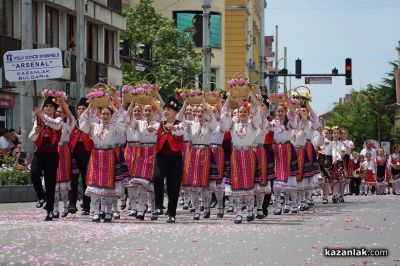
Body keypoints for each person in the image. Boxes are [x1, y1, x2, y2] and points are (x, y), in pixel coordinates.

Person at [79, 101, 124, 222]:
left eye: (107, 114)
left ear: (111, 116)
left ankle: (108, 212)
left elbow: (122, 124)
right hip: (97, 155)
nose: (104, 116)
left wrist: (114, 107)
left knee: (108, 186)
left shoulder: (114, 126)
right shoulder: (94, 126)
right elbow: (82, 124)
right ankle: (96, 212)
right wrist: (89, 107)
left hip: (109, 155)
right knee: (94, 184)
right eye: (103, 114)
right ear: (99, 115)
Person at [221, 92, 261, 224]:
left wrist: (252, 95)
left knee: (248, 184)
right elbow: (225, 114)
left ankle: (250, 210)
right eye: (240, 112)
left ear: (248, 114)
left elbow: (257, 110)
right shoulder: (232, 125)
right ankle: (238, 213)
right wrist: (228, 98)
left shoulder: (252, 124)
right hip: (236, 156)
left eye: (245, 111)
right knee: (237, 185)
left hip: (249, 155)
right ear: (237, 114)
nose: (242, 113)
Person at [29, 96, 63, 221]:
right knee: (34, 173)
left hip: (52, 155)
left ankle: (49, 210)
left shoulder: (58, 119)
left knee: (50, 183)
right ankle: (41, 196)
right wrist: (36, 132)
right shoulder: (38, 120)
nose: (48, 109)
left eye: (51, 107)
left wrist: (42, 116)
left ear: (54, 109)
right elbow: (31, 137)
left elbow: (56, 125)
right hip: (39, 152)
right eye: (46, 107)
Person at [127, 101, 160, 221]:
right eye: (145, 110)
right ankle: (140, 210)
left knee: (152, 183)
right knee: (140, 182)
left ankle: (154, 209)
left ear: (154, 112)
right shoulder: (138, 122)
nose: (147, 113)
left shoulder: (158, 123)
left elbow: (157, 129)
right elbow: (129, 118)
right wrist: (131, 102)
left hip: (153, 152)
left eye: (149, 110)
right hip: (141, 153)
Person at [154, 97, 185, 223]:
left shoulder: (180, 123)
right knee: (157, 177)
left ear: (174, 111)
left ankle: (172, 213)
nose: (166, 111)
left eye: (168, 109)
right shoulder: (159, 124)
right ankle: (158, 206)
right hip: (161, 156)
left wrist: (173, 128)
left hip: (175, 158)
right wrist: (150, 129)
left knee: (174, 186)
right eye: (165, 109)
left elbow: (180, 131)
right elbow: (153, 129)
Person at [268, 102, 299, 215]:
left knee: (290, 179)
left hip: (287, 151)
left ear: (286, 112)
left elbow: (294, 114)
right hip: (276, 152)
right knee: (277, 181)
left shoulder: (290, 123)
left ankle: (293, 203)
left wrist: (288, 101)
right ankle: (278, 205)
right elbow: (264, 126)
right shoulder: (273, 123)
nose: (280, 113)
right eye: (278, 111)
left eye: (282, 111)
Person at [69, 98, 93, 215]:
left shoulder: (90, 122)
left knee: (85, 179)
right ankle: (72, 204)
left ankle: (86, 205)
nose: (81, 110)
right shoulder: (73, 121)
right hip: (74, 152)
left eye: (84, 108)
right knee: (73, 178)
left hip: (87, 152)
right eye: (79, 109)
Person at [54, 100, 75, 218]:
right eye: (57, 112)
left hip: (64, 151)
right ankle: (55, 208)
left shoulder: (68, 125)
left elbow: (71, 117)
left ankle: (66, 206)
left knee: (63, 181)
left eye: (61, 112)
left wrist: (63, 104)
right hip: (52, 151)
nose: (59, 114)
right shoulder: (52, 123)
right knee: (54, 181)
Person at [124, 104, 143, 217]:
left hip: (141, 151)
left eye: (138, 111)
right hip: (130, 151)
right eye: (135, 111)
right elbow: (126, 113)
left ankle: (142, 207)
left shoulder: (145, 123)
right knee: (130, 181)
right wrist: (132, 101)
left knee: (140, 180)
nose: (136, 113)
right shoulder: (128, 122)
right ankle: (133, 207)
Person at [324, 127, 346, 203]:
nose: (336, 134)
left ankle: (334, 195)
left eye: (337, 133)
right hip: (329, 161)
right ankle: (327, 196)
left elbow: (343, 152)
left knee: (337, 179)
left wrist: (342, 152)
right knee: (328, 179)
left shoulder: (341, 143)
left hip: (338, 162)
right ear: (332, 134)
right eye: (334, 133)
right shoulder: (329, 143)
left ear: (340, 135)